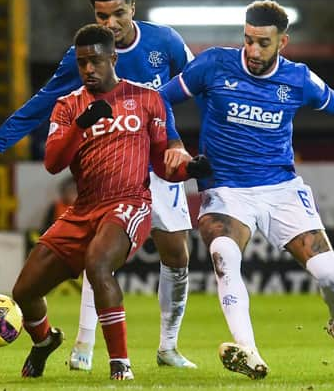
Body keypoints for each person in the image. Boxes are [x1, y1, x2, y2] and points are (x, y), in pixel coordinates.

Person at [160, 0, 334, 379]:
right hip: (226, 190)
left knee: (331, 277)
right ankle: (247, 349)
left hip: (281, 189)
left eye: (263, 43)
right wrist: (173, 142)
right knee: (223, 254)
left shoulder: (298, 79)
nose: (252, 50)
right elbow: (160, 99)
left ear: (283, 42)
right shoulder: (214, 64)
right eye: (248, 40)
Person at [0, 0, 198, 370]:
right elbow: (43, 102)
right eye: (102, 15)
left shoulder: (166, 41)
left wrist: (186, 144)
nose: (110, 24)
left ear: (133, 9)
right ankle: (84, 347)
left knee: (176, 253)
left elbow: (197, 84)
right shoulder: (87, 57)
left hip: (157, 158)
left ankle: (169, 346)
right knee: (99, 253)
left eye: (118, 14)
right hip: (111, 174)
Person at [12, 24, 210, 381]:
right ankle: (44, 342)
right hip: (83, 209)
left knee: (99, 264)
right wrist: (80, 127)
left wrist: (191, 170)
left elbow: (163, 162)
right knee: (24, 291)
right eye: (82, 63)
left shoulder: (148, 100)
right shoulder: (68, 106)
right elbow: (53, 162)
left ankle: (120, 363)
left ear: (113, 59)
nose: (88, 69)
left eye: (96, 61)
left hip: (129, 203)